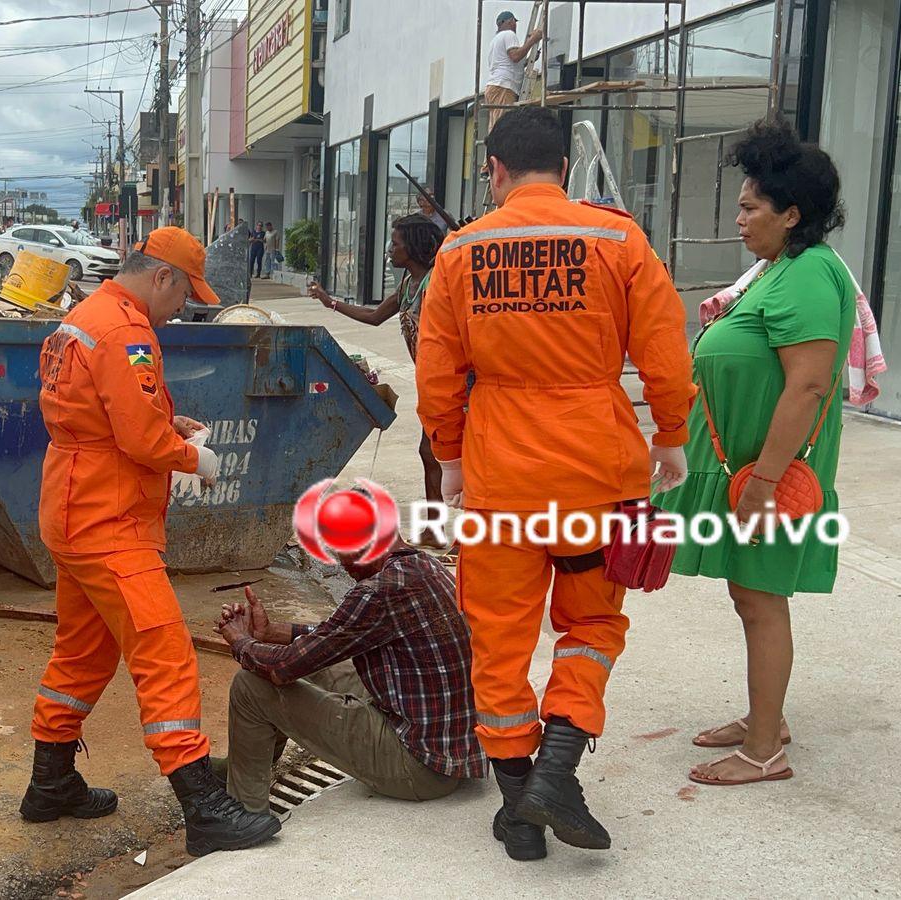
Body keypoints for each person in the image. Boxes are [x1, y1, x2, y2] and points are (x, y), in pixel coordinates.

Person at [415, 106, 695, 859]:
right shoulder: (616, 238)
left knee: (498, 644)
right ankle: (555, 777)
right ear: (564, 172)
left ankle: (519, 810)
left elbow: (438, 373)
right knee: (593, 628)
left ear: (496, 172)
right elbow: (666, 352)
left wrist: (448, 460)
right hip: (595, 474)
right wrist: (670, 436)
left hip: (501, 475)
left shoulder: (460, 251)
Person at [21, 226, 282, 858]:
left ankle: (49, 783)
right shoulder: (127, 331)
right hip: (110, 522)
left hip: (70, 508)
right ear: (161, 276)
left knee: (82, 656)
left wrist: (168, 420)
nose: (183, 308)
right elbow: (139, 441)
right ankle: (203, 806)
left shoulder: (84, 316)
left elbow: (100, 411)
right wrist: (195, 457)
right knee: (165, 654)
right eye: (184, 293)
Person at [652, 119, 853, 787]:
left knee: (762, 597)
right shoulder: (780, 270)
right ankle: (769, 717)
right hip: (748, 473)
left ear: (791, 213)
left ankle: (764, 749)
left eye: (749, 207)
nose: (738, 219)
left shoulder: (809, 275)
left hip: (772, 478)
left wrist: (765, 481)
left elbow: (810, 384)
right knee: (751, 595)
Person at [213, 527, 487, 814]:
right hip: (451, 752)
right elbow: (340, 634)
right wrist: (272, 632)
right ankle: (239, 766)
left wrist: (241, 642)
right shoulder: (426, 565)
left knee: (251, 685)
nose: (344, 568)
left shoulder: (379, 591)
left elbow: (284, 667)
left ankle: (244, 815)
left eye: (341, 554)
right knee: (313, 661)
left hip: (419, 767)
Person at [309, 215, 446, 513]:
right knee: (429, 453)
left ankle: (461, 536)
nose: (389, 250)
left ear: (411, 246)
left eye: (395, 243)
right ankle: (435, 529)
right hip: (432, 382)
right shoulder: (410, 282)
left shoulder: (435, 282)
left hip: (450, 383)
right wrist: (329, 302)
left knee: (449, 457)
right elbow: (374, 317)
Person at [485, 11, 544, 128]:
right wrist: (533, 40)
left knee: (497, 124)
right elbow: (515, 56)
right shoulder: (509, 35)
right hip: (503, 86)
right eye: (514, 22)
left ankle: (495, 146)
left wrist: (528, 60)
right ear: (511, 21)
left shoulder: (496, 40)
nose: (515, 25)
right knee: (503, 127)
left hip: (496, 86)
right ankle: (498, 146)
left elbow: (510, 63)